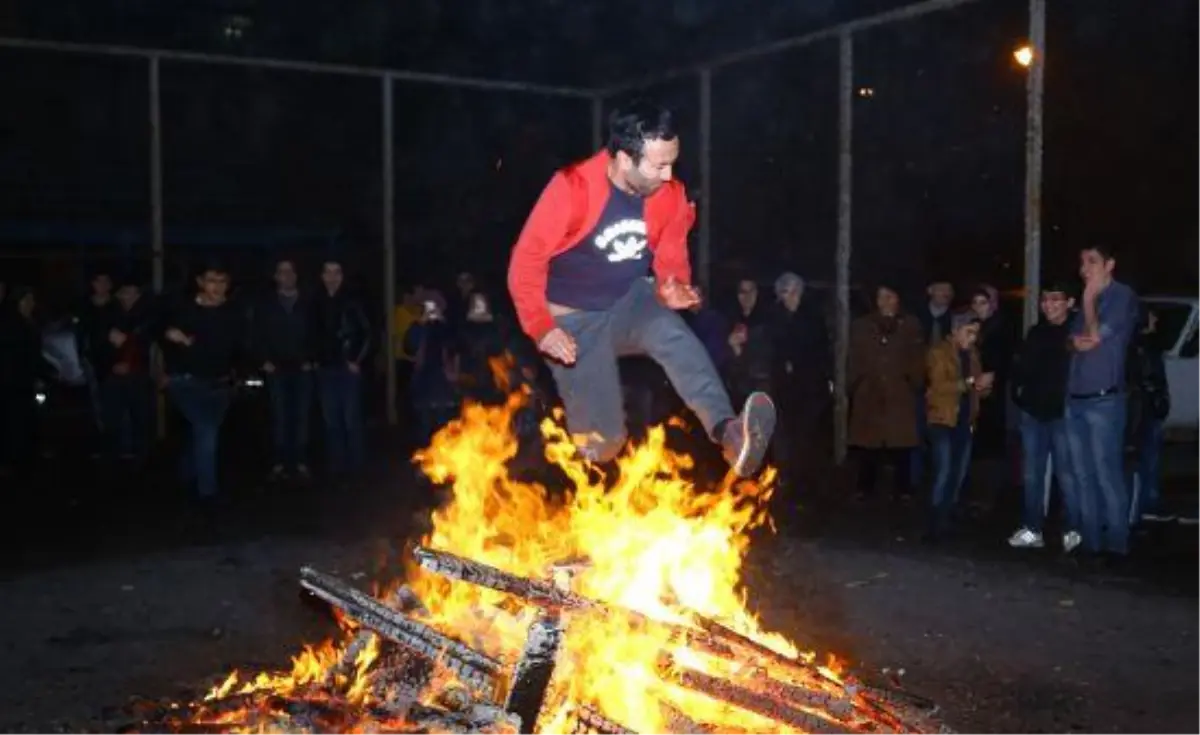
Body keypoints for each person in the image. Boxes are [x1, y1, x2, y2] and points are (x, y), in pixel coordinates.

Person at [506, 101, 774, 475]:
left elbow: (670, 250)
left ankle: (727, 431)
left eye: (672, 163)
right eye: (658, 165)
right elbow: (526, 262)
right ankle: (554, 464)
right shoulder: (573, 188)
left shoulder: (669, 194)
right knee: (603, 445)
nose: (667, 176)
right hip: (572, 322)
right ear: (622, 158)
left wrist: (672, 287)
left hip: (626, 301)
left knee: (672, 334)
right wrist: (541, 327)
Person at [1065, 245, 1138, 559]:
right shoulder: (1088, 299)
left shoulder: (1121, 296)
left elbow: (1094, 336)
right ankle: (1092, 543)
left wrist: (1088, 300)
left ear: (1110, 264)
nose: (1085, 268)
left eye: (1092, 261)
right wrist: (1081, 337)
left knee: (1106, 472)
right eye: (1082, 262)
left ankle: (1117, 545)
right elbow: (1072, 341)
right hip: (1076, 396)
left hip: (1103, 399)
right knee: (1082, 474)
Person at [161, 263, 243, 501]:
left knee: (203, 433)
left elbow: (236, 347)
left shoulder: (233, 312)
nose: (216, 286)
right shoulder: (184, 310)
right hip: (187, 382)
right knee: (206, 430)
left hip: (219, 384)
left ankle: (186, 474)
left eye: (222, 281)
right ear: (200, 282)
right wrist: (172, 337)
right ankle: (208, 493)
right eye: (211, 280)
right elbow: (161, 334)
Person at [1008, 283, 1080, 551]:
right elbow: (1022, 367)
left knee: (1067, 474)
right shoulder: (1036, 332)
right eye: (1045, 300)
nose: (1049, 305)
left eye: (1055, 299)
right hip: (1033, 412)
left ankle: (1073, 530)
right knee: (1032, 474)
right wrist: (1020, 393)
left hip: (1063, 413)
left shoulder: (1075, 332)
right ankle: (1032, 528)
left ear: (1068, 302)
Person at [847, 284, 925, 501]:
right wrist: (855, 383)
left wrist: (913, 381)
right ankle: (865, 486)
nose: (885, 301)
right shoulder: (862, 325)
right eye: (881, 296)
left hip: (899, 391)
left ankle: (903, 487)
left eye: (890, 296)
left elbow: (917, 357)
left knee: (901, 444)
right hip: (869, 391)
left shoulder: (910, 324)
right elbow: (854, 357)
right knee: (868, 443)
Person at [924, 313, 988, 540]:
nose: (972, 338)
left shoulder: (972, 354)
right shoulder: (939, 352)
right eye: (969, 332)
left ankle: (947, 516)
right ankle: (934, 522)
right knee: (943, 470)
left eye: (975, 334)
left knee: (958, 472)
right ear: (956, 330)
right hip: (942, 419)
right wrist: (970, 383)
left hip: (964, 420)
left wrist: (982, 387)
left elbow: (978, 389)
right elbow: (939, 385)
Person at [252, 258, 314, 481]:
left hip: (302, 366)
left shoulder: (308, 302)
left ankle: (300, 460)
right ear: (275, 276)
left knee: (301, 416)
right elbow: (257, 333)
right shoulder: (266, 304)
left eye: (289, 271)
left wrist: (311, 358)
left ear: (296, 275)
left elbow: (317, 330)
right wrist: (263, 360)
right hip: (276, 367)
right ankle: (279, 461)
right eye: (281, 272)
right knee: (279, 415)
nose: (285, 276)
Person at [311, 257, 372, 478]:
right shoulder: (316, 301)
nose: (332, 277)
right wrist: (314, 359)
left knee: (351, 419)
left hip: (347, 369)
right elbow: (312, 333)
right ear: (322, 275)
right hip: (325, 368)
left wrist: (356, 359)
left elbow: (367, 332)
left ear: (342, 275)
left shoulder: (352, 300)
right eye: (328, 272)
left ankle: (356, 467)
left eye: (336, 272)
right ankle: (336, 466)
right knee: (331, 420)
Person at [1125, 305, 1170, 523]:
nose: (1155, 320)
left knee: (1148, 456)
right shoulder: (1141, 346)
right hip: (1143, 409)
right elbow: (1149, 378)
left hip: (1147, 407)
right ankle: (1145, 502)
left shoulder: (1148, 345)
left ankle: (1146, 501)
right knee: (1146, 457)